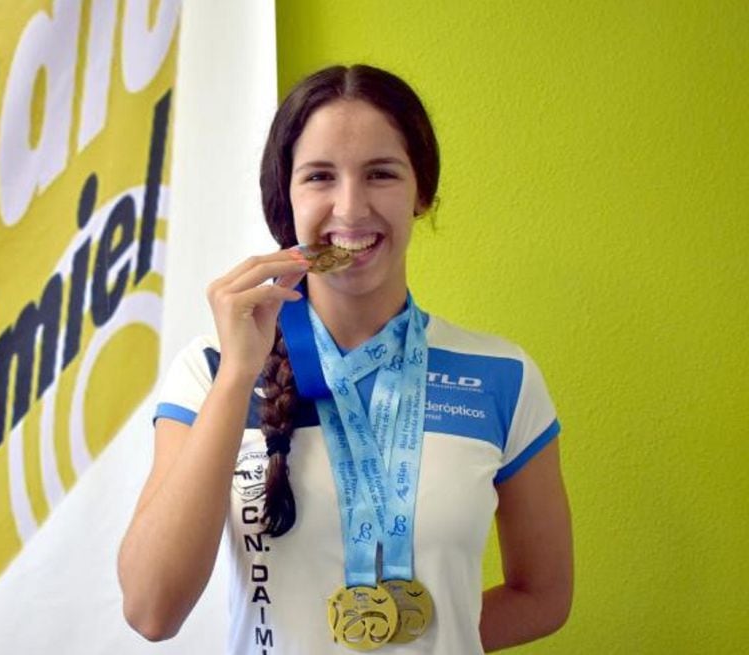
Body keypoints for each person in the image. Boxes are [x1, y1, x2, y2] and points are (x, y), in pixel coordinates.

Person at [118, 64, 572, 654]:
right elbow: (152, 610)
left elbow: (544, 596)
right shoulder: (207, 373)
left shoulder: (502, 376)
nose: (350, 208)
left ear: (422, 192)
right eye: (319, 177)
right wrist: (237, 376)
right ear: (286, 197)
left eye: (381, 173)